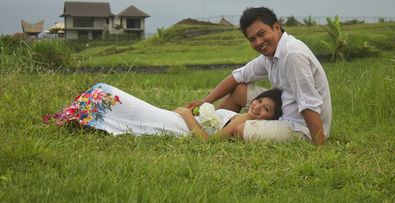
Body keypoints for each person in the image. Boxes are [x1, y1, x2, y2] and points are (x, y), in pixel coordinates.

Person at [187, 7, 332, 145]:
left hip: (301, 126)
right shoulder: (271, 55)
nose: (258, 42)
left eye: (261, 34)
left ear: (276, 27)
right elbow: (239, 76)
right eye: (252, 39)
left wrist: (319, 143)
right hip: (281, 108)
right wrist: (206, 101)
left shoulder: (292, 54)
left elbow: (308, 101)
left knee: (240, 131)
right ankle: (210, 125)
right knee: (240, 90)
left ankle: (218, 132)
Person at [43, 83, 284, 141]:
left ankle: (75, 117)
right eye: (260, 100)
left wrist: (188, 115)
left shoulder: (242, 122)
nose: (258, 107)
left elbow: (209, 143)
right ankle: (74, 116)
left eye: (266, 110)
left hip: (178, 126)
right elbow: (237, 82)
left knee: (106, 90)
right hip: (175, 119)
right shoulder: (240, 112)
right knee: (106, 92)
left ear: (270, 118)